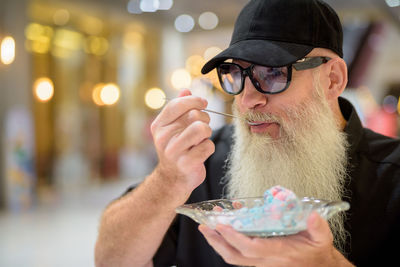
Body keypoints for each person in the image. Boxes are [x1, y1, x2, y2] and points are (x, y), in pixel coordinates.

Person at [94, 0, 400, 266]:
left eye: (274, 73)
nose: (248, 99)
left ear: (332, 79)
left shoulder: (392, 175)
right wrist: (167, 180)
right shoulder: (204, 160)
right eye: (237, 74)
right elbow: (111, 260)